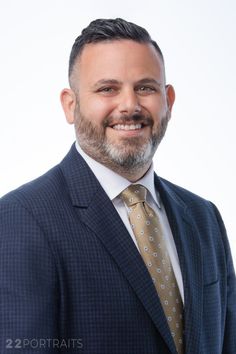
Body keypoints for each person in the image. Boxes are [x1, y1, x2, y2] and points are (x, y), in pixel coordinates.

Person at [0, 18, 235, 354]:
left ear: (167, 99)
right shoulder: (20, 219)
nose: (130, 105)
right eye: (107, 88)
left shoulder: (203, 218)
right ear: (71, 104)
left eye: (145, 87)